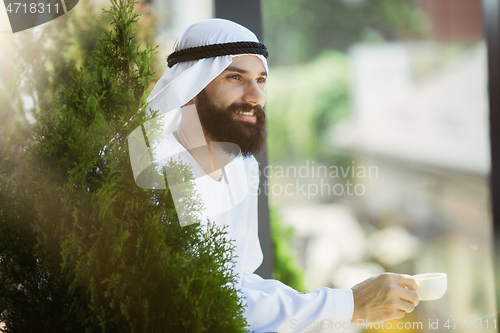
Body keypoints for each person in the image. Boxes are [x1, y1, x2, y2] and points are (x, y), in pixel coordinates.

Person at [139, 18, 419, 332]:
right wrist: (348, 305)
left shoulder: (240, 164)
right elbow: (199, 299)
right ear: (192, 84)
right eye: (236, 77)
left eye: (261, 80)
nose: (256, 96)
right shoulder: (149, 166)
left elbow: (240, 282)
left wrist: (345, 307)